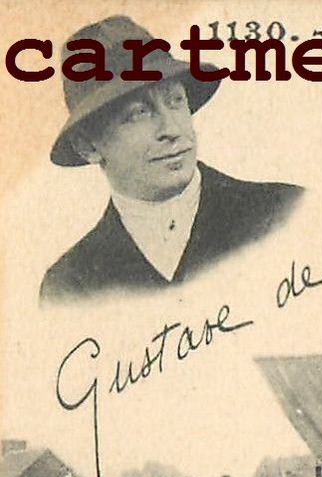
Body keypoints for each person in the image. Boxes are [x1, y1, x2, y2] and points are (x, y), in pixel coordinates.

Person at [40, 15, 304, 304]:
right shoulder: (70, 285)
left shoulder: (284, 213)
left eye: (176, 101)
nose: (172, 130)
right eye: (139, 112)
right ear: (87, 146)